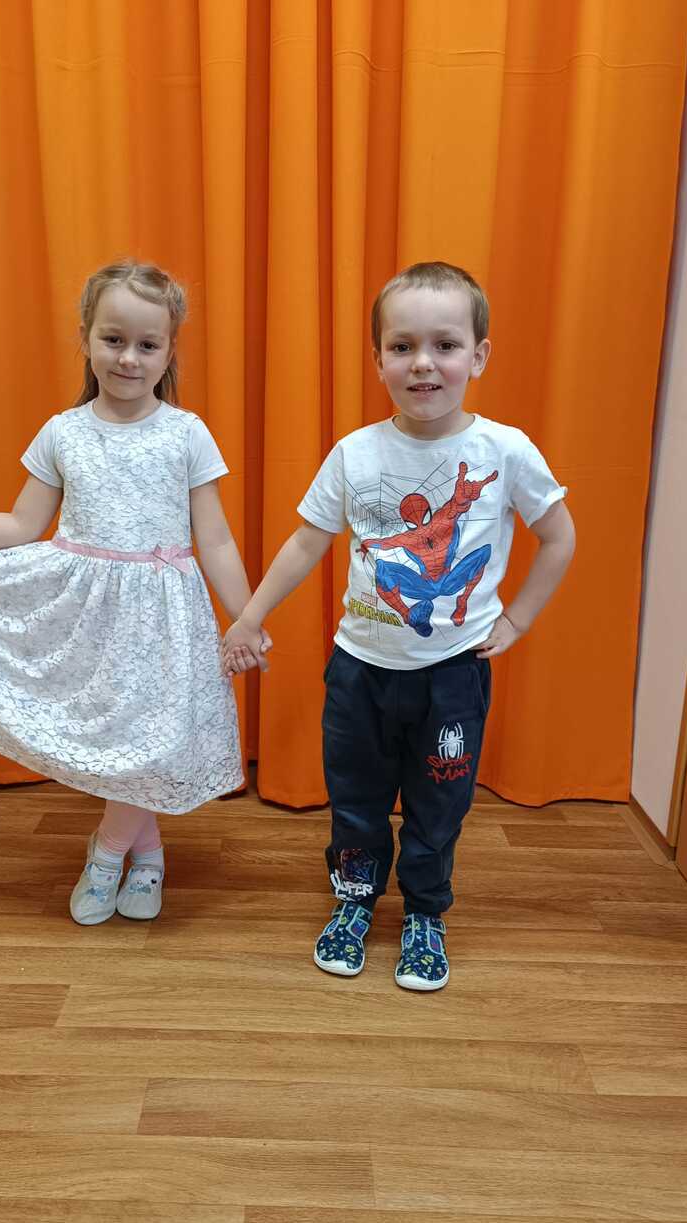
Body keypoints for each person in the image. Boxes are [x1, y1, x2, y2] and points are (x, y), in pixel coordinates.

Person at [0, 259, 268, 926]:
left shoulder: (186, 434)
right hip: (88, 615)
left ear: (169, 350)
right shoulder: (64, 432)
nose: (129, 358)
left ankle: (109, 852)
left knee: (153, 741)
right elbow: (21, 525)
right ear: (86, 336)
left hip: (165, 618)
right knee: (120, 741)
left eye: (147, 344)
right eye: (114, 339)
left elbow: (216, 540)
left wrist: (248, 616)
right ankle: (147, 854)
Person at [223, 261, 575, 991]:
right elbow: (306, 544)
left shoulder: (504, 450)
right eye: (402, 346)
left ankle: (424, 913)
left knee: (437, 807)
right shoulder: (356, 454)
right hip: (359, 671)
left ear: (479, 355)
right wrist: (249, 617)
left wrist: (516, 620)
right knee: (355, 802)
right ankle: (354, 901)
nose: (423, 363)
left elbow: (559, 536)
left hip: (453, 675)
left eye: (445, 345)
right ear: (378, 358)